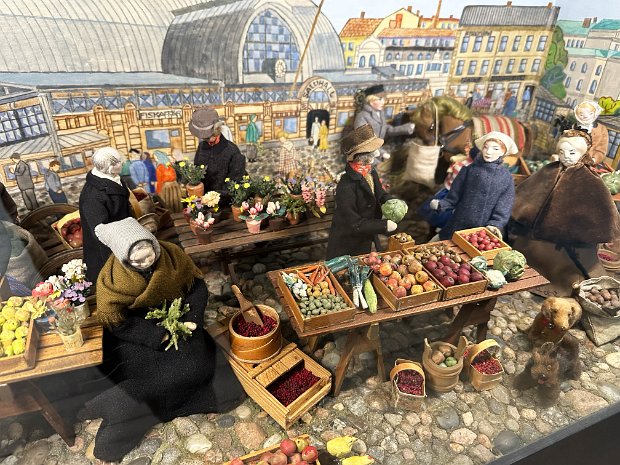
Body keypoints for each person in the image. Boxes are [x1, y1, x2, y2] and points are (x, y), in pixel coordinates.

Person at [81, 217, 244, 462]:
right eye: (138, 261)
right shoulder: (112, 279)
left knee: (199, 366)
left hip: (181, 317)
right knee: (148, 370)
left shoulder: (173, 256)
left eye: (149, 255)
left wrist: (189, 318)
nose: (146, 263)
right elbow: (116, 320)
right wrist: (157, 334)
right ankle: (126, 399)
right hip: (139, 329)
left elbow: (197, 287)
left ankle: (126, 397)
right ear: (124, 259)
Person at [509, 129, 620, 294]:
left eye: (572, 152)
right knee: (530, 248)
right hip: (537, 233)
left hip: (568, 238)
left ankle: (559, 281)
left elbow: (600, 208)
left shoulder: (589, 179)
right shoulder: (549, 170)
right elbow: (529, 192)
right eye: (562, 152)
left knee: (565, 264)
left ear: (582, 154)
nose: (566, 156)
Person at [326, 124, 398, 259]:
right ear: (359, 156)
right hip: (347, 242)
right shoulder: (346, 185)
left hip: (367, 235)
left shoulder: (371, 172)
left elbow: (380, 193)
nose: (376, 154)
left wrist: (391, 201)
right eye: (372, 151)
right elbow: (354, 223)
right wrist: (383, 225)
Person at [430, 131, 518, 241]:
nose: (489, 152)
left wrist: (495, 224)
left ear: (503, 152)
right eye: (486, 147)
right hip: (458, 222)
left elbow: (504, 207)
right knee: (439, 243)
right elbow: (454, 195)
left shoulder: (506, 178)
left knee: (472, 253)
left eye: (495, 149)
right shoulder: (469, 170)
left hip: (482, 232)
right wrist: (442, 204)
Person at [78, 146, 132, 283]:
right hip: (108, 250)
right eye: (119, 161)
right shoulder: (93, 196)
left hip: (125, 235)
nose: (123, 163)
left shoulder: (113, 179)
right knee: (114, 280)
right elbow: (101, 232)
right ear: (109, 167)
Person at [190, 108, 246, 203]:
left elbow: (235, 182)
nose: (205, 140)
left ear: (217, 131)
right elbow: (198, 171)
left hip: (226, 202)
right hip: (205, 200)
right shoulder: (201, 147)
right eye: (203, 137)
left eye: (208, 136)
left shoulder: (232, 151)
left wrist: (213, 198)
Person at [353, 84, 414, 161]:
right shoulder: (362, 116)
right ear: (371, 101)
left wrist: (407, 128)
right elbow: (364, 141)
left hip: (377, 151)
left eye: (383, 99)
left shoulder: (380, 113)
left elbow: (387, 129)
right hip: (365, 155)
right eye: (380, 99)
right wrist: (381, 153)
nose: (383, 102)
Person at [573, 100, 608, 165]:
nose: (585, 116)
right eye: (581, 114)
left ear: (595, 113)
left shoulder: (601, 129)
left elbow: (601, 150)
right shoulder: (574, 127)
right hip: (571, 161)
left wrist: (593, 160)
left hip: (589, 164)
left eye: (590, 113)